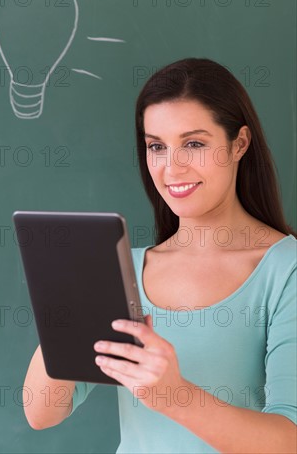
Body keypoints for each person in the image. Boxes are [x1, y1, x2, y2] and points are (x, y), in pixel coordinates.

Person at [23, 58, 297, 453]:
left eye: (194, 143)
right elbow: (41, 413)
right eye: (156, 146)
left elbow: (289, 440)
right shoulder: (119, 269)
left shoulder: (285, 270)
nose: (172, 168)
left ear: (239, 144)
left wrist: (175, 396)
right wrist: (67, 302)